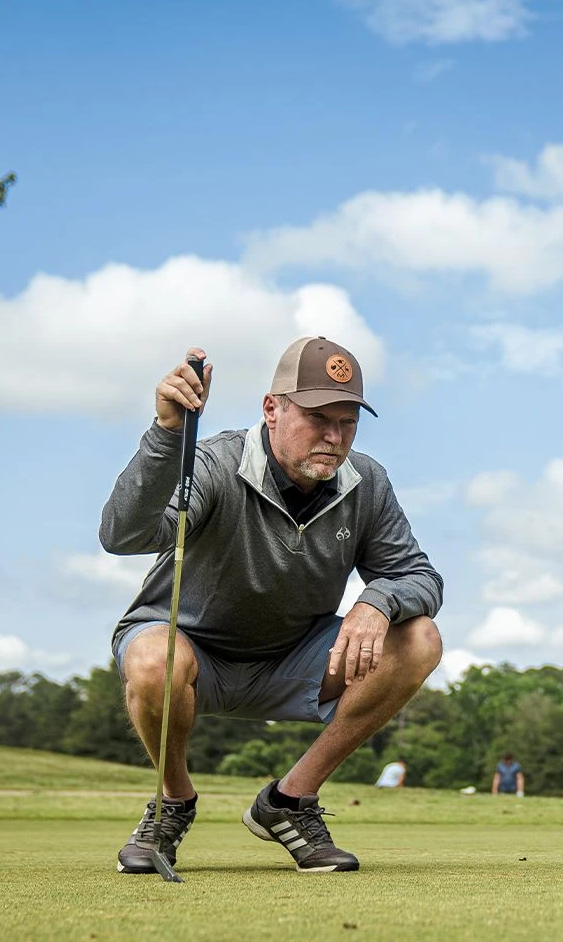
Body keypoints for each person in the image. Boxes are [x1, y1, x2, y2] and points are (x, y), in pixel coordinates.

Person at [100, 337, 443, 875]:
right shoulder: (212, 462)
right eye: (316, 417)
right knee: (152, 660)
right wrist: (168, 436)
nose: (333, 436)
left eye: (347, 421)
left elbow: (418, 576)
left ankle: (288, 802)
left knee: (418, 636)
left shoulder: (366, 481)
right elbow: (123, 535)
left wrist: (377, 601)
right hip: (191, 652)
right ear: (272, 408)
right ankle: (172, 804)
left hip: (294, 661)